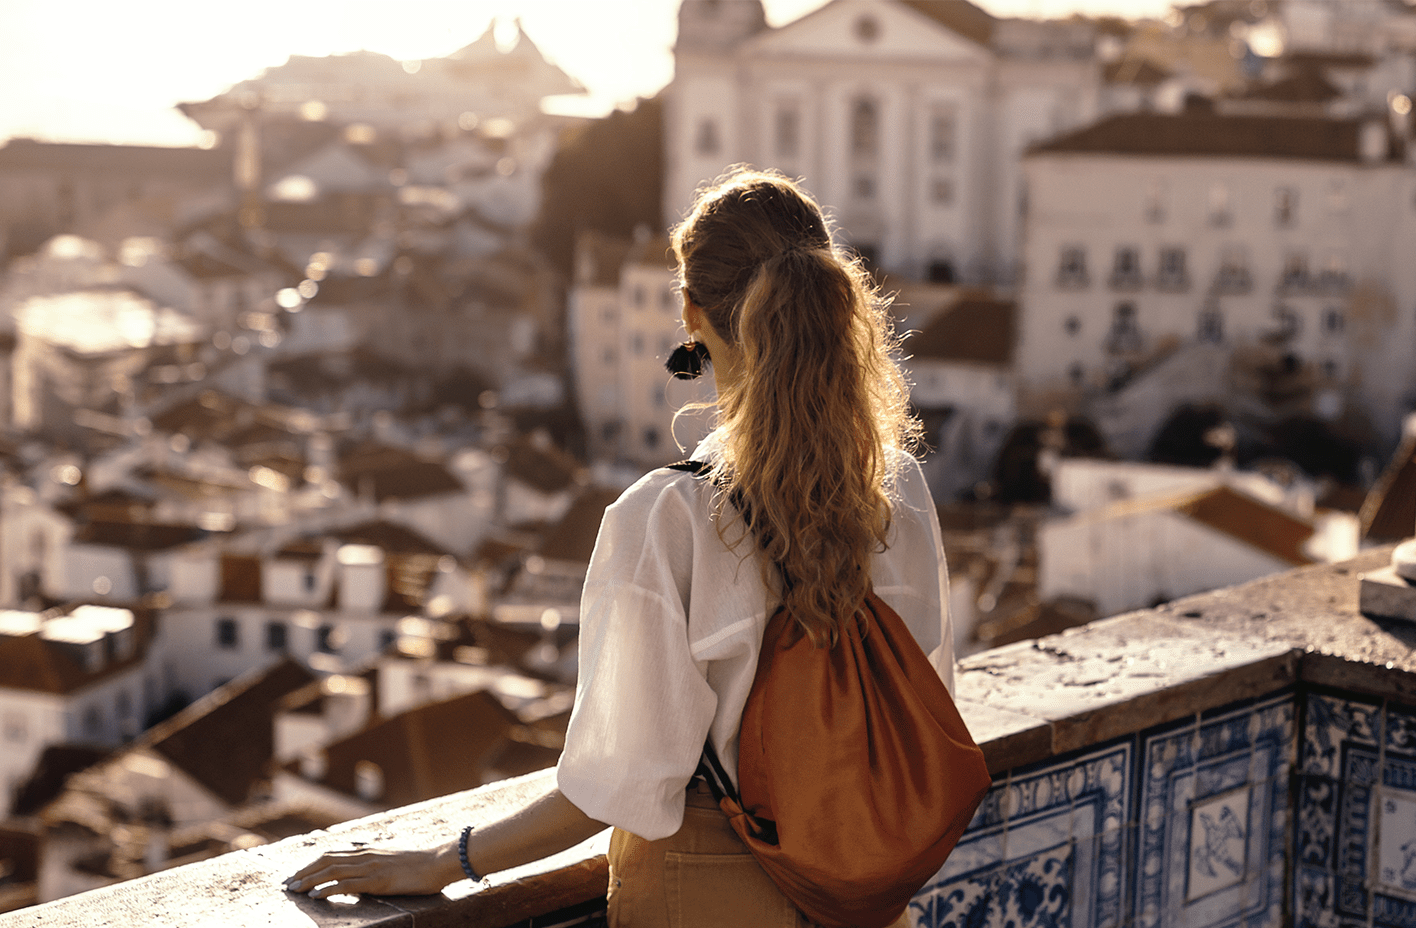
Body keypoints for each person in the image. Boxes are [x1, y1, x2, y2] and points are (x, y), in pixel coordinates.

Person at [285, 168, 952, 927]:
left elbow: (619, 780)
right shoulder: (897, 488)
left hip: (711, 897)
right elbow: (928, 695)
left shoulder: (666, 517)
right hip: (864, 892)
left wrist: (445, 858)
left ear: (690, 313)